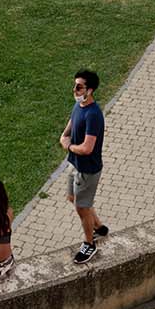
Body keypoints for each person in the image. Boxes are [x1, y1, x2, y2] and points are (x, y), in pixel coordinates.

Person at [61, 68, 110, 262]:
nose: (75, 89)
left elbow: (88, 148)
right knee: (73, 197)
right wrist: (64, 136)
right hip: (75, 164)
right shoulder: (79, 107)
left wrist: (69, 145)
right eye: (75, 85)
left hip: (87, 169)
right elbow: (72, 123)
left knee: (82, 207)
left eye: (79, 87)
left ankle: (90, 244)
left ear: (90, 91)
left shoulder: (94, 115)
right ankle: (99, 226)